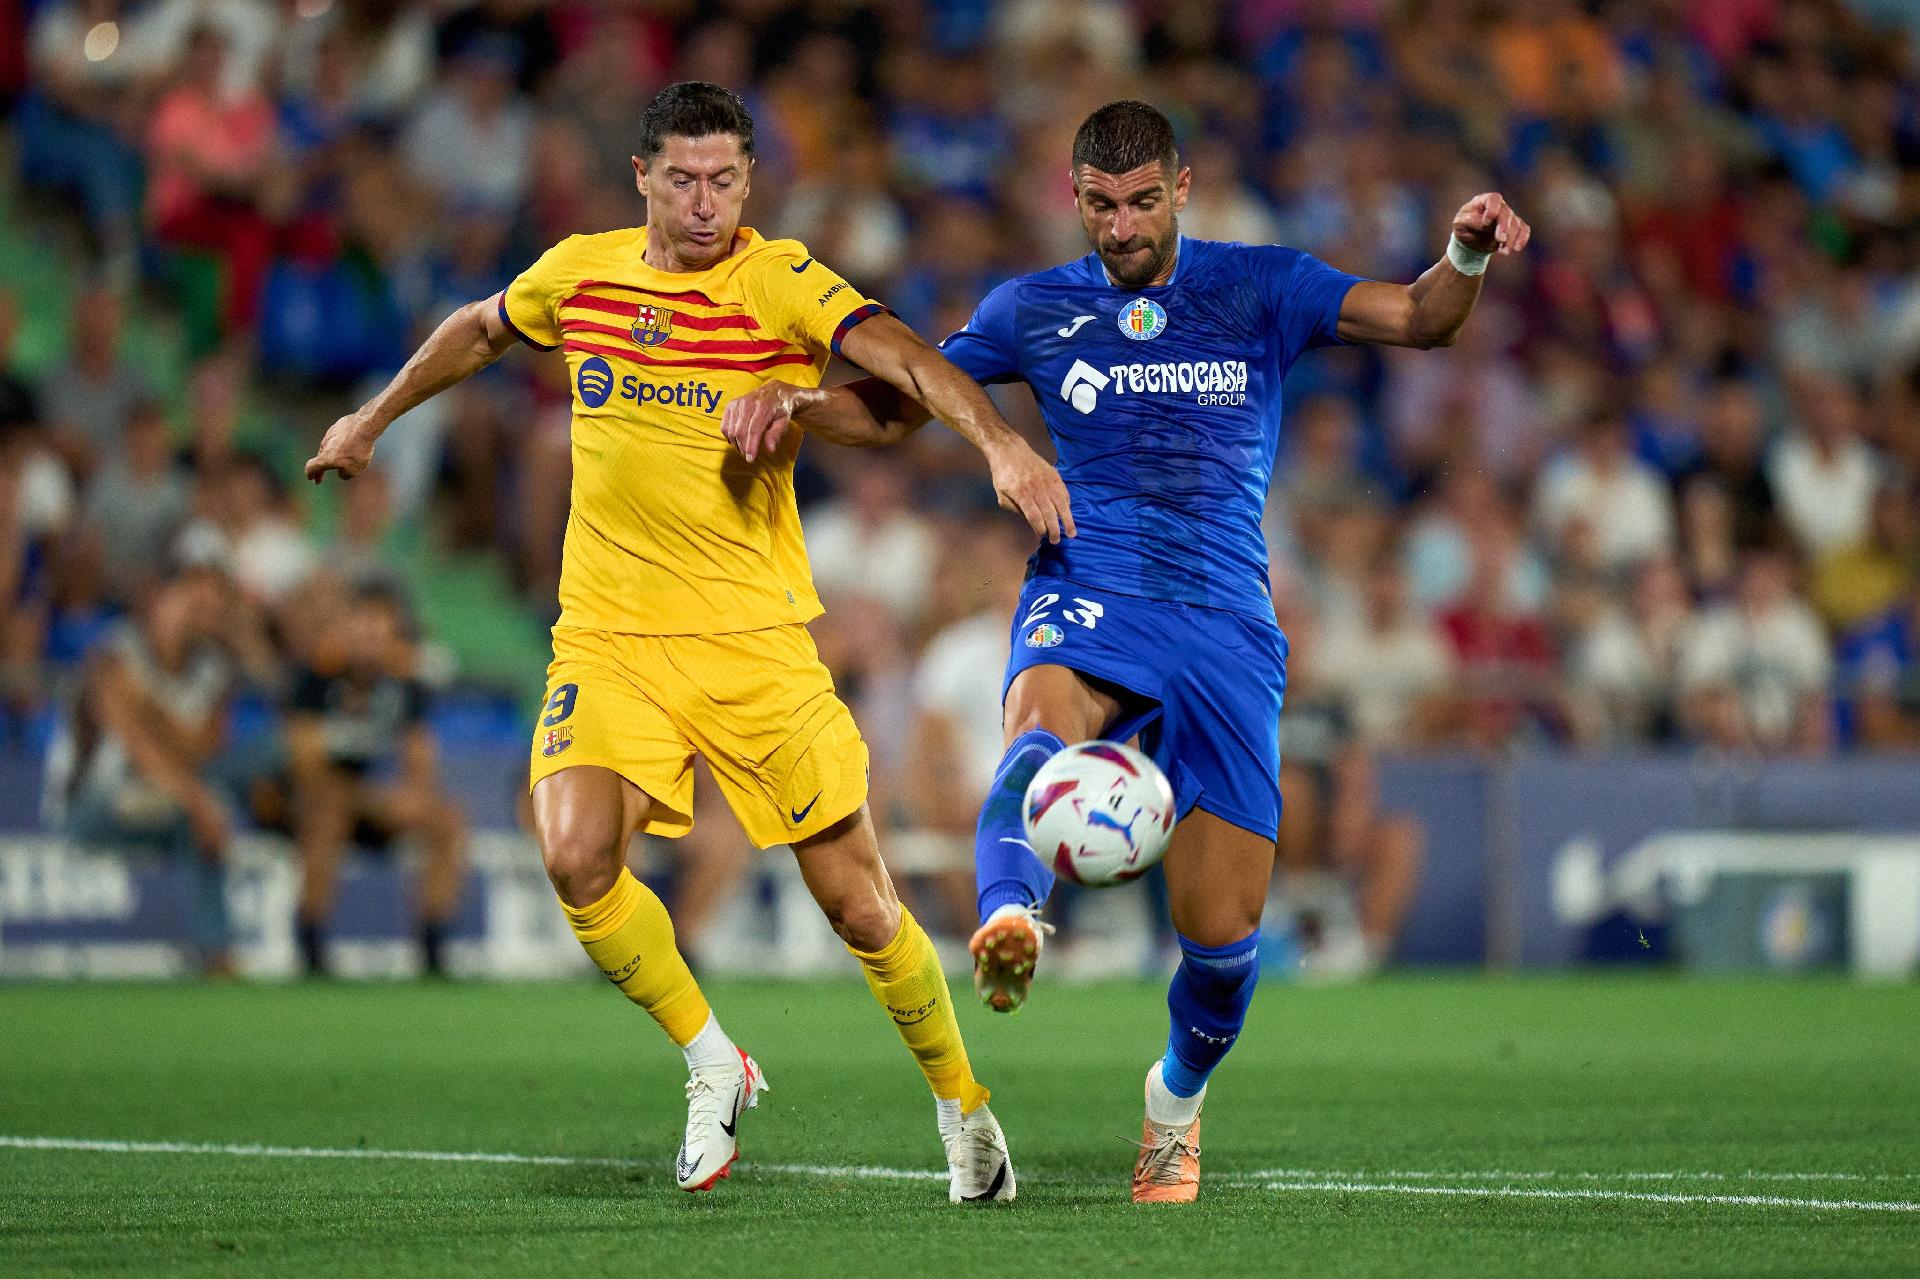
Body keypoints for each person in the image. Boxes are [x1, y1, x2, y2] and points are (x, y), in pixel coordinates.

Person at [720, 100, 1530, 1202]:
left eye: (1144, 201)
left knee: (1221, 932)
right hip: (1089, 583)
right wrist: (799, 402)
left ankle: (1175, 1103)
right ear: (1075, 199)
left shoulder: (1261, 285)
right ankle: (1009, 909)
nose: (1123, 225)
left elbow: (1421, 316)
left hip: (1229, 629)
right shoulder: (1034, 310)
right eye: (1101, 205)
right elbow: (898, 406)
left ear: (1183, 187)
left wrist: (1464, 252)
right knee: (1038, 719)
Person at [305, 82, 1070, 1201]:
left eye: (724, 180)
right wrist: (369, 420)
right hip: (610, 636)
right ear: (643, 179)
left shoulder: (778, 279)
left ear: (749, 181)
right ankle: (713, 1057)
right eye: (683, 179)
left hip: (754, 642)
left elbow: (901, 357)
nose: (705, 202)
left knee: (861, 906)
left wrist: (998, 442)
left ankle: (964, 1108)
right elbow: (478, 330)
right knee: (572, 854)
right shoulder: (581, 271)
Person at [43, 565, 235, 973]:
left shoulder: (212, 671)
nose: (201, 616)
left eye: (211, 609)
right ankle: (216, 953)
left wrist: (149, 708)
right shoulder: (115, 653)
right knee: (201, 808)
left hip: (165, 804)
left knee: (203, 810)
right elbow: (135, 746)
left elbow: (203, 747)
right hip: (90, 804)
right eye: (192, 603)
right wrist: (198, 799)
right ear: (161, 599)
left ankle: (213, 951)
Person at [280, 583, 466, 978]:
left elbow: (420, 762)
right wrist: (367, 798)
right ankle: (310, 940)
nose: (371, 634)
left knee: (446, 821)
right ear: (345, 625)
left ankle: (433, 944)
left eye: (382, 625)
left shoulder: (404, 686)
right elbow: (304, 762)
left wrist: (407, 795)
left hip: (376, 804)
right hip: (312, 804)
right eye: (363, 622)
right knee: (328, 809)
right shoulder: (316, 678)